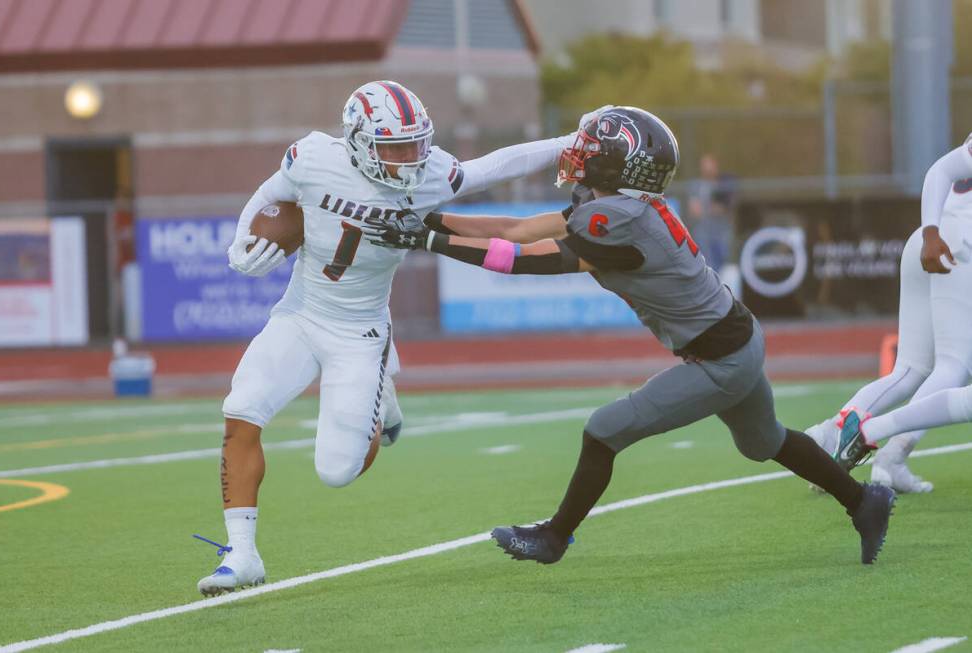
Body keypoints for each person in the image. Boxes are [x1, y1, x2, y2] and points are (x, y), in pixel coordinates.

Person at [361, 106, 896, 566]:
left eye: (590, 147)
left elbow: (520, 261)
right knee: (765, 443)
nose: (578, 153)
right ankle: (863, 501)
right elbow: (515, 229)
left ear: (614, 163)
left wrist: (428, 240)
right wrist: (430, 219)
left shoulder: (610, 221)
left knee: (603, 430)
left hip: (719, 360)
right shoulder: (617, 207)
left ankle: (553, 538)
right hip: (737, 338)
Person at [197, 80, 585, 595]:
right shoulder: (312, 157)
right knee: (241, 409)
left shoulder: (430, 174)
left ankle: (382, 389)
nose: (409, 158)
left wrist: (571, 140)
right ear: (357, 140)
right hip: (301, 313)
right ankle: (242, 556)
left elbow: (497, 163)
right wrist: (240, 244)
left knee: (337, 471)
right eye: (396, 147)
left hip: (361, 331)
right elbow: (268, 196)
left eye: (416, 143)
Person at [814, 133, 972, 488]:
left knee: (911, 369)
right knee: (953, 367)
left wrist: (930, 232)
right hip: (960, 245)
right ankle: (889, 453)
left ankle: (833, 433)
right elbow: (943, 169)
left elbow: (941, 170)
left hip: (928, 238)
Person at [685, 153, 735, 273]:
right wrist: (710, 209)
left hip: (721, 233)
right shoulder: (695, 186)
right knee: (706, 266)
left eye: (709, 164)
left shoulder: (724, 184)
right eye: (704, 165)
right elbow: (695, 210)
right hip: (702, 234)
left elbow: (722, 208)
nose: (707, 168)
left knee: (723, 266)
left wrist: (709, 209)